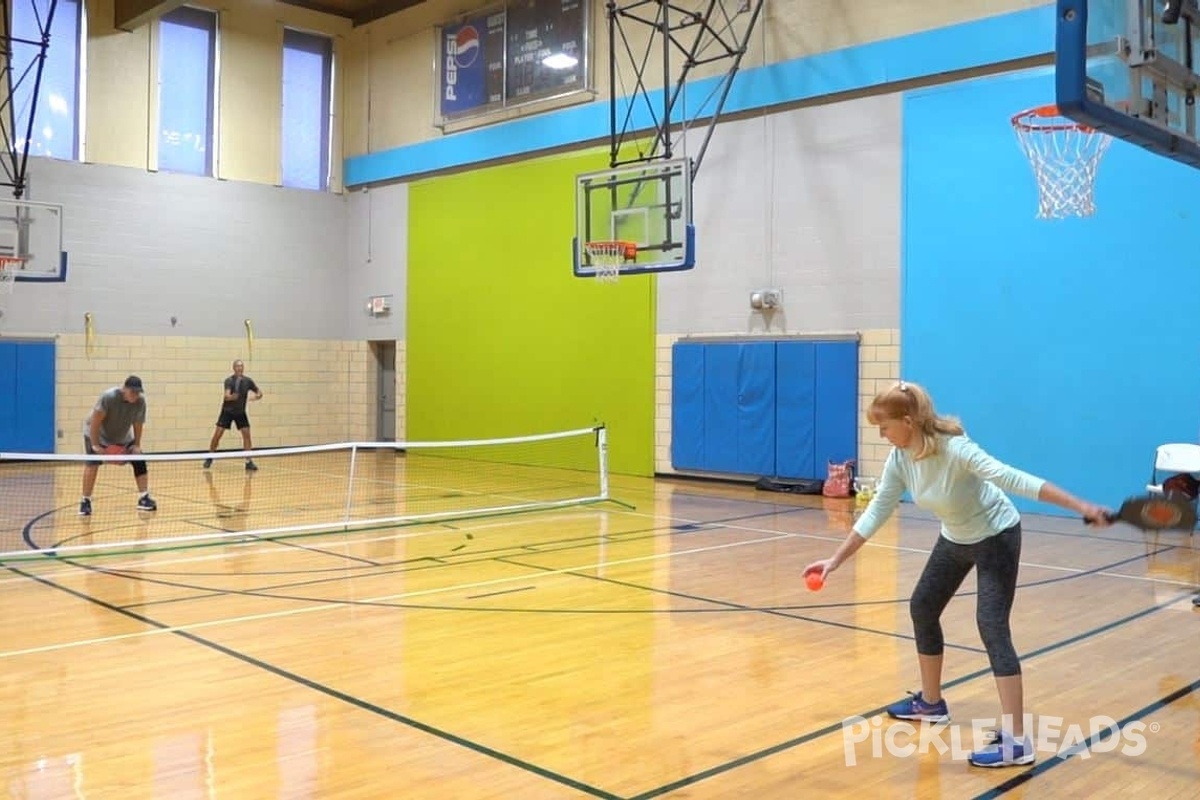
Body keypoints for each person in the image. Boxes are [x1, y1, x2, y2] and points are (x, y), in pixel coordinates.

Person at [802, 380, 1111, 768]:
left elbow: (1013, 479)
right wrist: (834, 560)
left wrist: (1080, 504)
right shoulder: (900, 460)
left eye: (884, 426)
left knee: (991, 625)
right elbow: (876, 511)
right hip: (956, 536)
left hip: (996, 534)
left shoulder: (955, 449)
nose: (881, 435)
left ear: (908, 421)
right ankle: (931, 704)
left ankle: (1017, 742)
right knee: (923, 607)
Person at [80, 375, 157, 516]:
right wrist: (96, 445)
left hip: (121, 435)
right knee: (92, 463)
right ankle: (85, 501)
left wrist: (137, 445)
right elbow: (95, 422)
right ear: (124, 389)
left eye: (138, 392)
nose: (135, 395)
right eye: (132, 391)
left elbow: (138, 424)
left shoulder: (140, 402)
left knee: (139, 458)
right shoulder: (109, 397)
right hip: (97, 433)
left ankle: (144, 498)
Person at [203, 359, 262, 471]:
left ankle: (248, 461)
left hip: (240, 412)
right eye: (237, 366)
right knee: (218, 434)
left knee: (247, 434)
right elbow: (226, 396)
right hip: (227, 412)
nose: (240, 368)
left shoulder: (248, 381)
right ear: (234, 368)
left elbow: (259, 392)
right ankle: (210, 456)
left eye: (241, 366)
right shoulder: (229, 381)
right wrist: (231, 397)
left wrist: (257, 396)